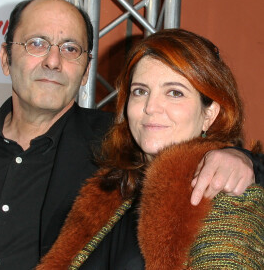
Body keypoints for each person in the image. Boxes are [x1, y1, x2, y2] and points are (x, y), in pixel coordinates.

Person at [0, 0, 261, 269]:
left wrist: (238, 157)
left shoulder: (107, 144)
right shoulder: (122, 168)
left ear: (85, 69)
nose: (53, 61)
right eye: (37, 43)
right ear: (5, 58)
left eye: (70, 48)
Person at [37, 29, 264, 269]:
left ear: (209, 113)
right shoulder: (110, 189)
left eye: (174, 93)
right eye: (140, 91)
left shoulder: (222, 191)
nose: (150, 107)